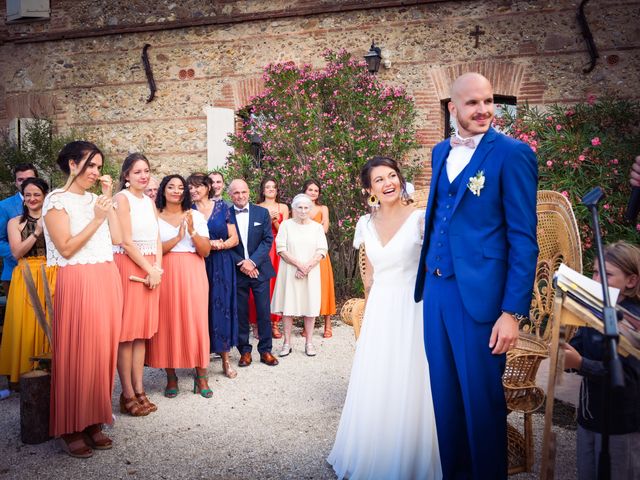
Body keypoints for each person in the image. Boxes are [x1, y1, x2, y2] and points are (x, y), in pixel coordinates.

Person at [414, 72, 538, 479]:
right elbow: (439, 217)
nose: (484, 110)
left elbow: (524, 239)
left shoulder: (512, 154)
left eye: (488, 101)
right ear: (453, 108)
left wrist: (511, 312)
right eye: (473, 103)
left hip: (481, 301)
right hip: (435, 291)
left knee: (482, 408)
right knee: (445, 402)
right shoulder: (438, 152)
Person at [328, 157, 441, 478]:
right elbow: (369, 273)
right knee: (379, 377)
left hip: (414, 307)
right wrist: (369, 305)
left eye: (392, 176)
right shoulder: (365, 224)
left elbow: (435, 266)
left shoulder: (421, 219)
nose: (388, 183)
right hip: (380, 310)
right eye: (379, 180)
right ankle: (375, 452)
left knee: (413, 377)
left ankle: (413, 457)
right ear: (369, 189)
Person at [43, 141, 123, 458]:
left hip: (106, 276)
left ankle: (93, 419)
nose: (96, 172)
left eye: (99, 166)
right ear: (73, 165)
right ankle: (70, 425)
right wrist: (95, 217)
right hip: (77, 279)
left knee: (102, 353)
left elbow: (117, 238)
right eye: (90, 165)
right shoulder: (56, 201)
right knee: (77, 351)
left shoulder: (97, 200)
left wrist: (106, 202)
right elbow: (65, 247)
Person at [562, 241, 640, 480]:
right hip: (590, 417)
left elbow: (629, 375)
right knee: (588, 472)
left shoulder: (634, 320)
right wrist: (565, 350)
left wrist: (580, 364)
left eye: (606, 275)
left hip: (621, 425)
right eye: (595, 272)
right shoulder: (594, 309)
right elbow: (581, 345)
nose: (596, 280)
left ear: (631, 281)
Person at [146, 175, 213, 398]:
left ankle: (201, 375)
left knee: (195, 320)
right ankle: (171, 376)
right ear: (163, 190)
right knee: (168, 320)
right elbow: (153, 250)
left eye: (180, 187)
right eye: (171, 187)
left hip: (193, 270)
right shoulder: (154, 216)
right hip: (165, 271)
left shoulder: (194, 215)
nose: (176, 190)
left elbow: (205, 251)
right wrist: (177, 238)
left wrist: (192, 232)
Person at [113, 153, 162, 417]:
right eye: (137, 172)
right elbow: (126, 241)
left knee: (142, 332)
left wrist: (159, 270)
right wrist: (149, 269)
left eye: (146, 171)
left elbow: (157, 238)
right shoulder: (122, 199)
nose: (143, 176)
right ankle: (127, 394)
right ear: (126, 176)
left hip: (152, 268)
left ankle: (141, 390)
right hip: (131, 266)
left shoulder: (149, 202)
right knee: (126, 334)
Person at [0, 178, 56, 387]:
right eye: (28, 195)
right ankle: (25, 374)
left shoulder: (54, 219)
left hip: (51, 273)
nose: (32, 199)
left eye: (37, 194)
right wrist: (37, 232)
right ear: (24, 198)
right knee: (25, 325)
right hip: (26, 275)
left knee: (49, 324)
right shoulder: (15, 222)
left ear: (44, 196)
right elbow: (16, 252)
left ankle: (50, 372)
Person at [189, 173, 239, 378]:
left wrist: (221, 245)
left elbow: (234, 238)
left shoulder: (224, 208)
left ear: (208, 187)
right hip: (197, 262)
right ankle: (200, 361)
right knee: (199, 309)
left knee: (222, 307)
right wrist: (209, 244)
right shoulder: (187, 210)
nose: (193, 190)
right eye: (190, 187)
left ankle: (226, 360)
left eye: (197, 186)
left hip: (221, 263)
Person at [228, 179, 279, 367]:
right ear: (230, 195)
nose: (240, 196)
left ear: (248, 192)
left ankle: (265, 350)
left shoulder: (261, 212)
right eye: (236, 193)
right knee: (241, 312)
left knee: (263, 311)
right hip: (238, 270)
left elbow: (267, 240)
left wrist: (253, 262)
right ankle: (244, 351)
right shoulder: (226, 215)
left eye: (243, 192)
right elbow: (224, 242)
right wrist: (242, 263)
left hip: (259, 270)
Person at [271, 194, 326, 357]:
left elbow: (322, 250)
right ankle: (287, 343)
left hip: (311, 272)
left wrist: (307, 267)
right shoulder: (286, 226)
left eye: (306, 207)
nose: (303, 211)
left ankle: (309, 343)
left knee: (310, 308)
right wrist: (299, 265)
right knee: (288, 308)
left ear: (310, 209)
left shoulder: (316, 228)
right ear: (293, 209)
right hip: (290, 271)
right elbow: (280, 248)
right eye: (299, 207)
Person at [249, 177, 290, 340]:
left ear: (277, 190)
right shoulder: (257, 207)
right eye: (267, 187)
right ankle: (257, 324)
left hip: (278, 247)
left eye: (273, 186)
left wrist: (274, 219)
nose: (271, 189)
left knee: (276, 285)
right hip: (262, 248)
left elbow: (284, 231)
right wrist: (266, 217)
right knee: (259, 285)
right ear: (263, 190)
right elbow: (254, 231)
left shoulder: (283, 207)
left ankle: (274, 323)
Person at [302, 179, 336, 338]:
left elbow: (325, 229)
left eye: (316, 190)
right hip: (304, 252)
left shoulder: (323, 208)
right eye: (310, 190)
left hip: (320, 253)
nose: (313, 193)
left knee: (324, 286)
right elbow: (298, 228)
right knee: (306, 288)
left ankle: (328, 325)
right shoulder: (299, 208)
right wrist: (316, 227)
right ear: (305, 191)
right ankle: (306, 325)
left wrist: (312, 228)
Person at [0, 163, 38, 294]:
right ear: (16, 183)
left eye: (29, 179)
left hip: (46, 273)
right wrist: (21, 253)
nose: (25, 183)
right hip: (14, 272)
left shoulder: (49, 204)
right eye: (20, 179)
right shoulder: (4, 206)